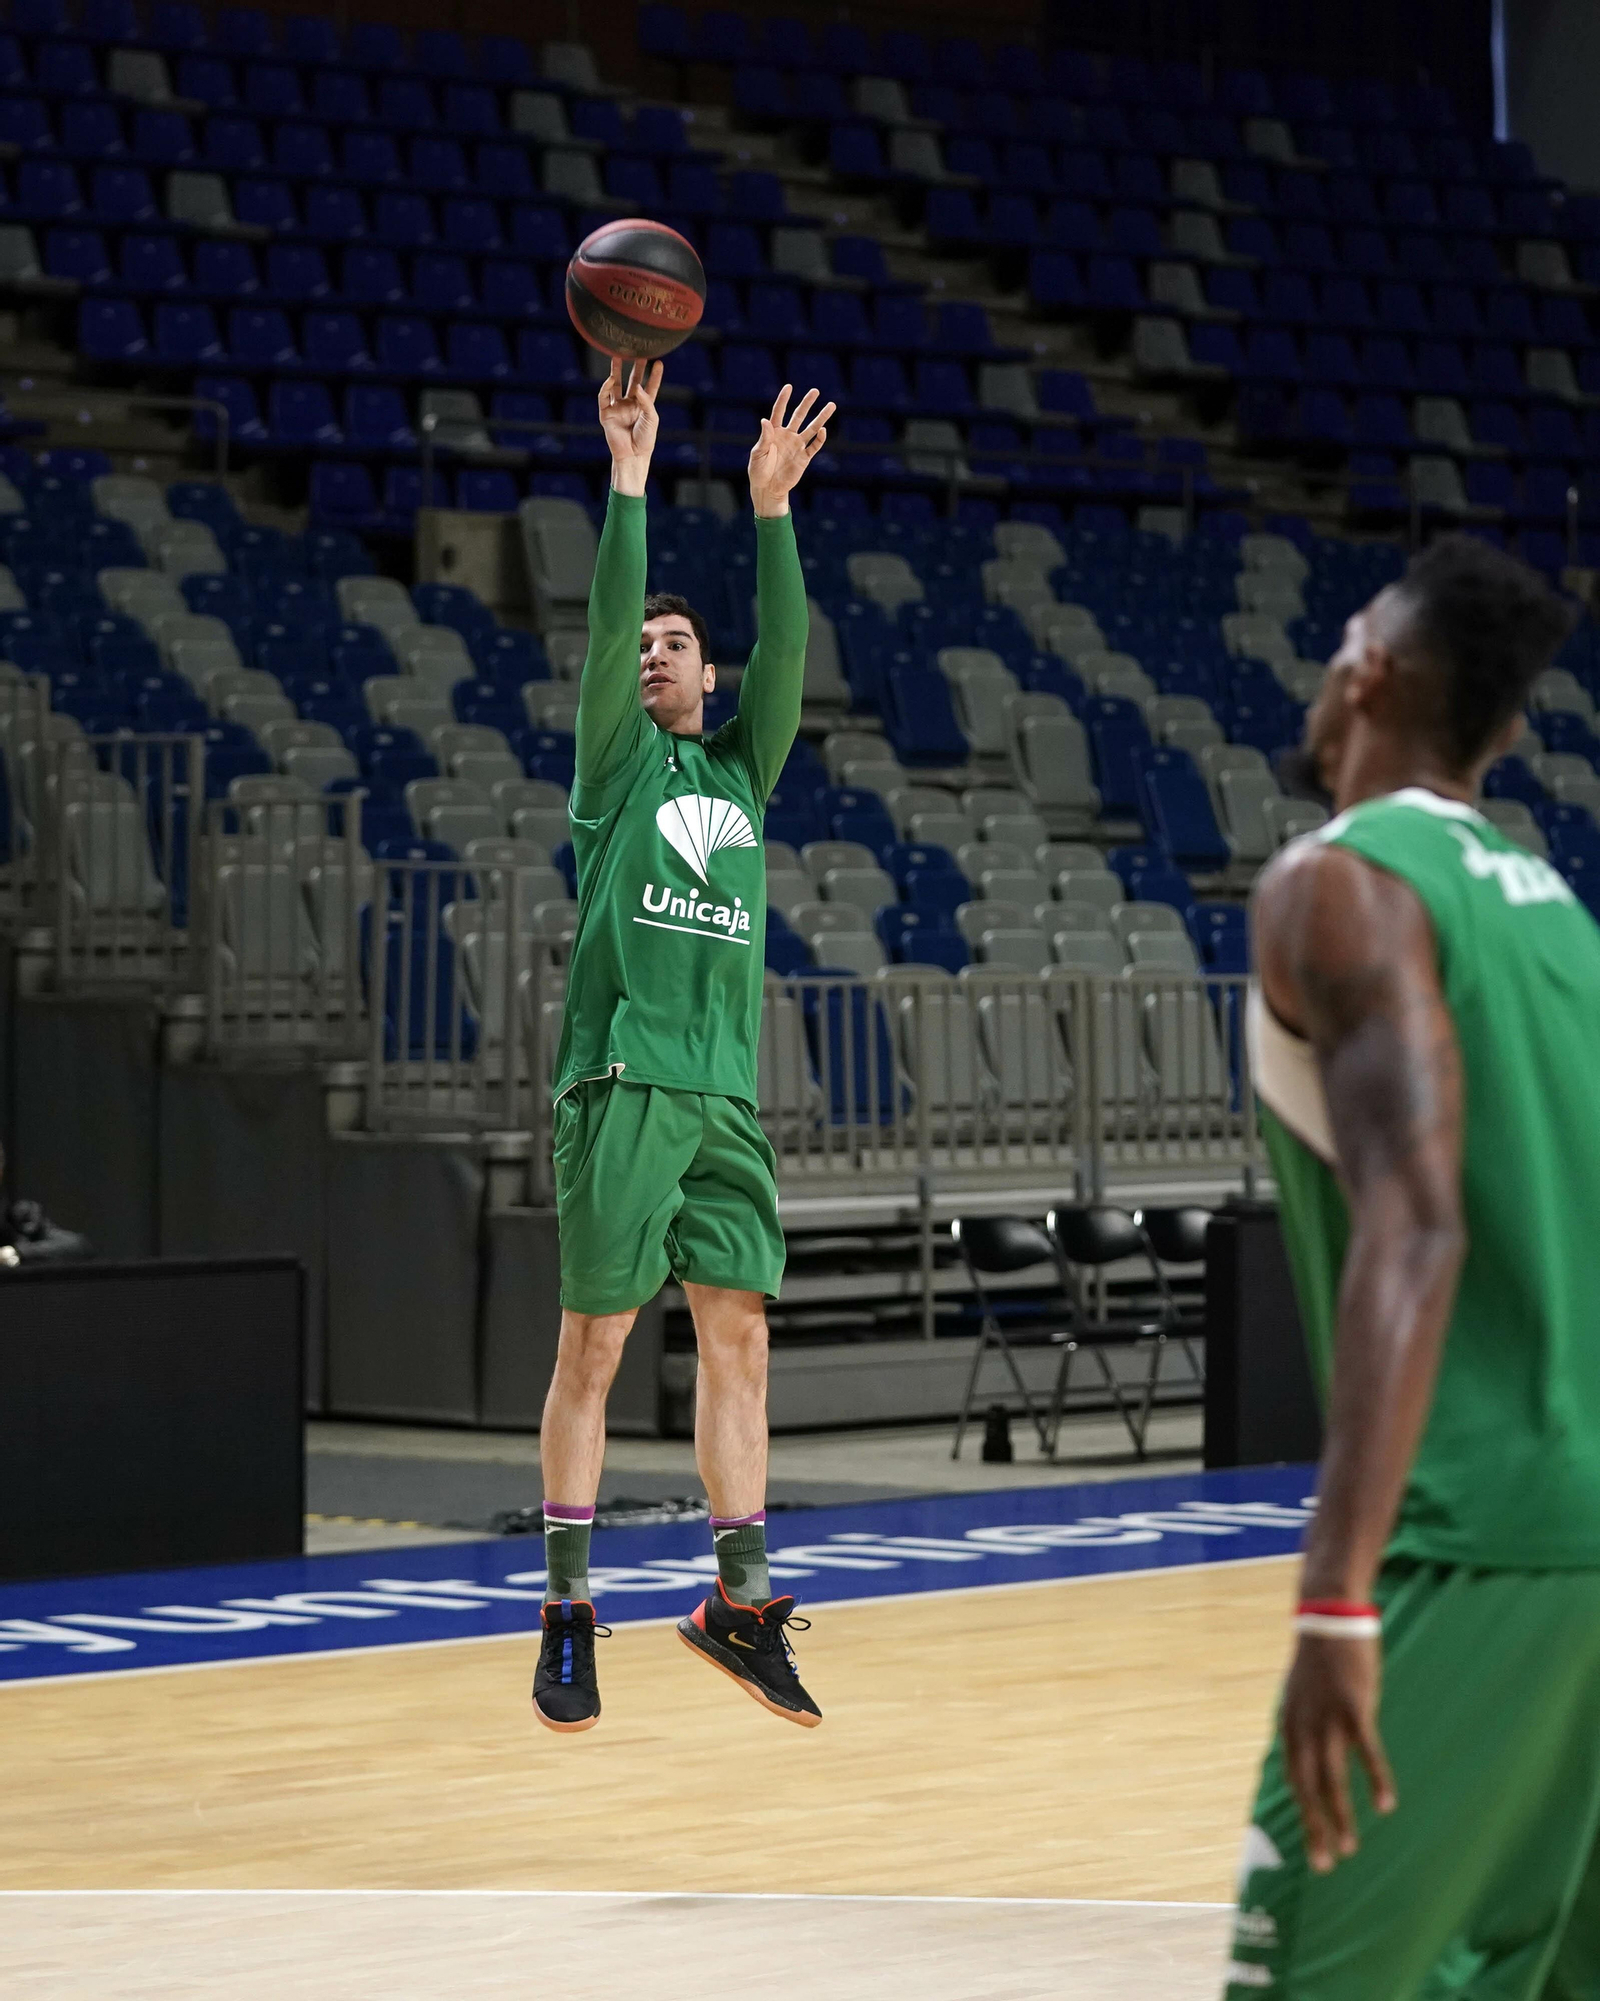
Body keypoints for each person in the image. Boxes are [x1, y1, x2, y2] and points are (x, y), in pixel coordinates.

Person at [1224, 533, 1600, 1996]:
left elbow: (1417, 1223)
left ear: (1368, 665)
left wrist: (1336, 1595)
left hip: (1473, 1533)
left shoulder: (1338, 883)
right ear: (1503, 730)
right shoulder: (1562, 915)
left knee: (1311, 1976)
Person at [532, 359, 835, 1737]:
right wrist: (632, 475)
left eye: (673, 647)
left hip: (721, 1098)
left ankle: (738, 1598)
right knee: (593, 1347)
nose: (651, 653)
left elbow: (789, 647)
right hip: (621, 1088)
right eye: (641, 647)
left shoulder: (739, 772)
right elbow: (606, 618)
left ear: (710, 677)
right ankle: (568, 1607)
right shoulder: (615, 770)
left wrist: (770, 510)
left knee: (744, 1344)